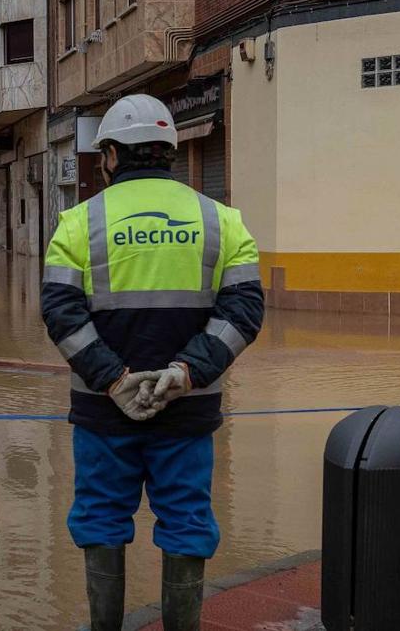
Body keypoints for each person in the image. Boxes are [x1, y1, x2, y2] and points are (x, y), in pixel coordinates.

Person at [40, 94, 264, 631]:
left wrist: (114, 379)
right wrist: (186, 373)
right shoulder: (222, 221)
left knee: (100, 522)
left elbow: (59, 312)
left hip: (102, 414)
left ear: (111, 155)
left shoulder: (76, 223)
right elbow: (245, 311)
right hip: (187, 413)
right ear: (169, 148)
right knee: (187, 522)